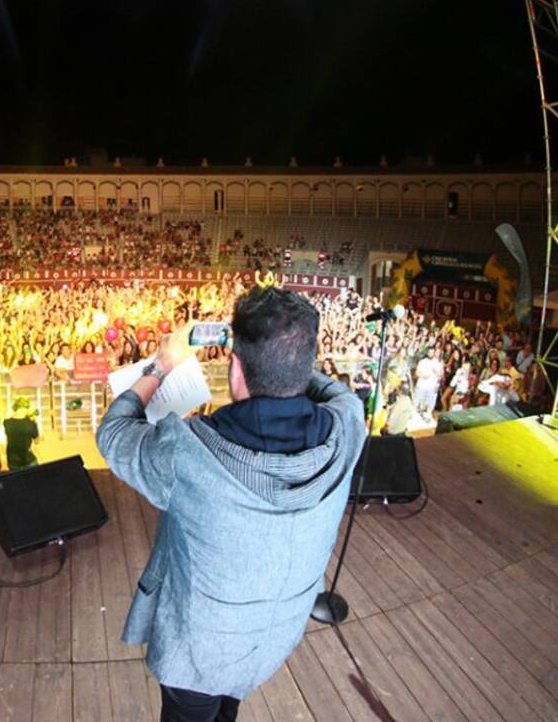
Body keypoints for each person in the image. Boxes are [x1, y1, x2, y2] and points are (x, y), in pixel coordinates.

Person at [96, 287, 365, 722]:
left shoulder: (187, 453)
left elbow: (113, 434)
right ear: (304, 362)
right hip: (273, 638)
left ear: (235, 369)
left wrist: (161, 364)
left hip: (199, 653)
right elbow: (331, 390)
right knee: (229, 706)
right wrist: (280, 353)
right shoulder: (350, 425)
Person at [3, 397, 40, 470]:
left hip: (12, 461)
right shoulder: (31, 424)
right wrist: (34, 422)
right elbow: (37, 441)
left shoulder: (6, 423)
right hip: (27, 460)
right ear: (26, 408)